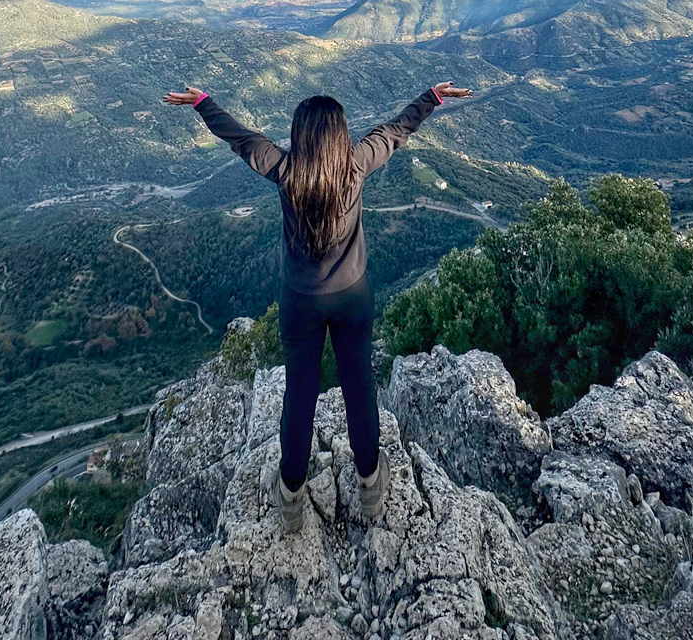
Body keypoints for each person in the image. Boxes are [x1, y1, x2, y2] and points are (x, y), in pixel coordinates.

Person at [164, 81, 473, 531]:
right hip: (352, 297)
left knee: (300, 394)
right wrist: (432, 97)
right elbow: (397, 130)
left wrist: (202, 104)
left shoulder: (285, 171)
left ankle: (291, 494)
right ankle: (369, 484)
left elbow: (241, 139)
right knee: (358, 387)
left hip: (301, 302)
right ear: (339, 134)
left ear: (300, 135)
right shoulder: (356, 166)